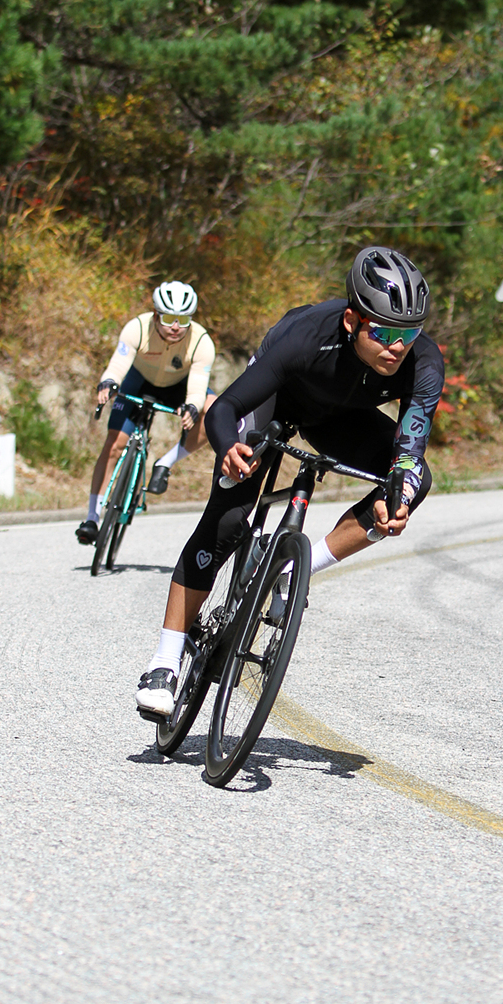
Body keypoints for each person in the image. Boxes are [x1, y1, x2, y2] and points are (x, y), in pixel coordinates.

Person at [135, 247, 444, 719]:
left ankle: (294, 571)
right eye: (383, 333)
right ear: (351, 321)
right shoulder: (305, 338)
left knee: (415, 483)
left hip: (339, 418)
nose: (397, 347)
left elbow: (408, 451)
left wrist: (396, 498)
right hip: (275, 400)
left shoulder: (424, 363)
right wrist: (229, 449)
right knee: (228, 520)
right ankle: (164, 661)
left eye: (409, 333)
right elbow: (225, 408)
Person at [75, 281, 216, 545]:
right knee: (114, 445)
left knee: (215, 408)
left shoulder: (202, 342)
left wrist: (192, 406)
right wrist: (108, 382)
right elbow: (118, 364)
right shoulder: (137, 328)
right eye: (169, 318)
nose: (176, 326)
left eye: (183, 320)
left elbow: (198, 385)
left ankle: (166, 462)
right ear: (155, 315)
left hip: (178, 386)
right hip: (138, 380)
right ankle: (92, 517)